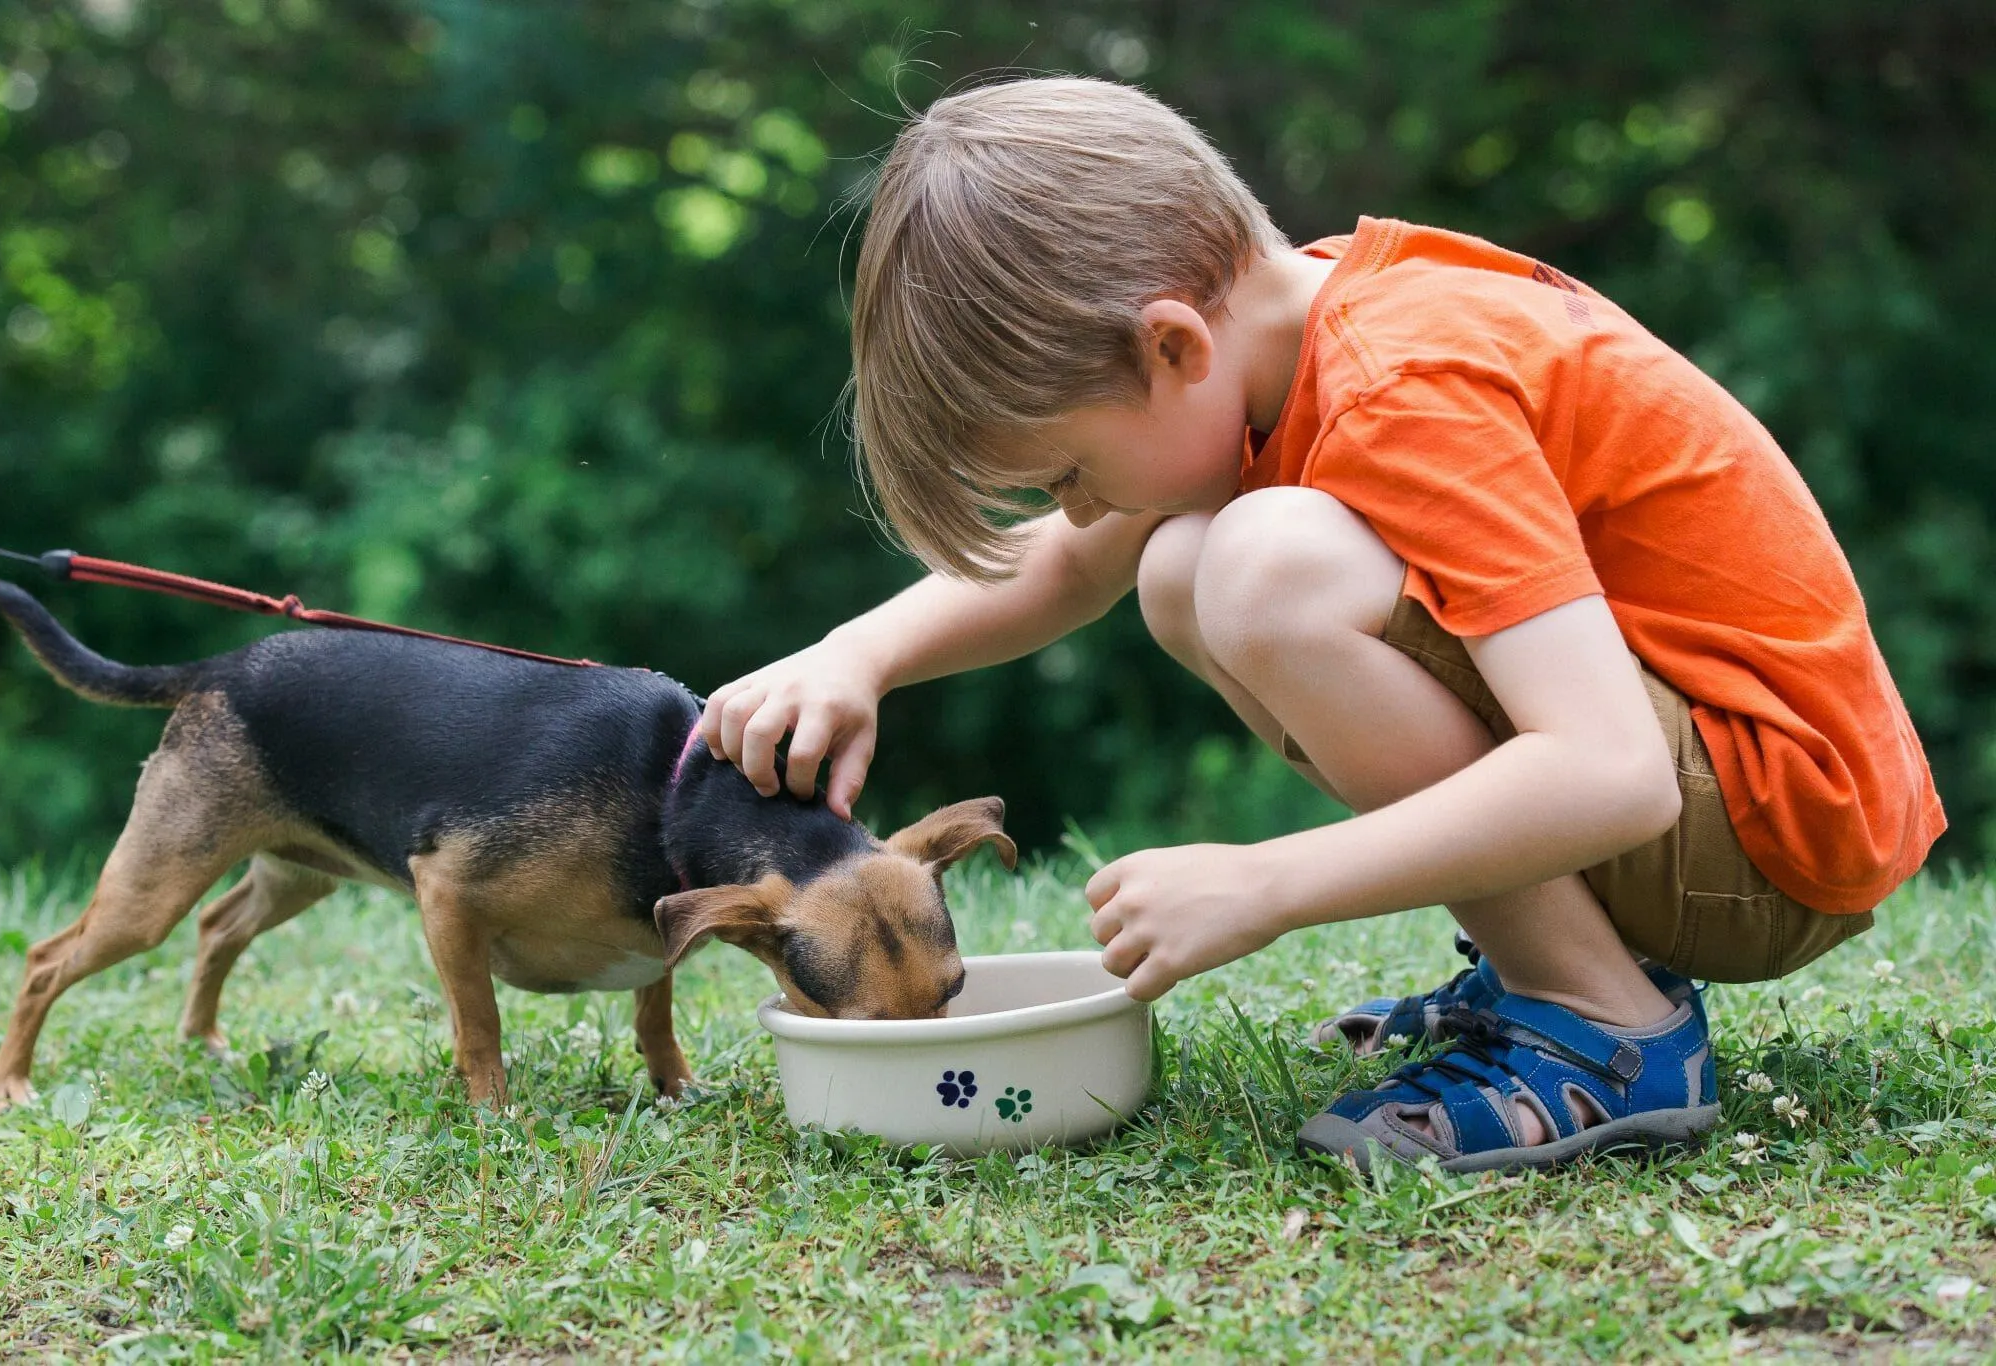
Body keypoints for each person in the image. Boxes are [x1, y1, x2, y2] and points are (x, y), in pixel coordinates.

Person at [697, 77, 1944, 1170]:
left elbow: (1613, 775)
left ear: (1170, 343)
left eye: (1068, 471)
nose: (1076, 511)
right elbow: (1073, 568)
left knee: (1256, 564)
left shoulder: (1401, 390)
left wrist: (1268, 883)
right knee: (1182, 559)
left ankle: (1604, 1027)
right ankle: (1540, 966)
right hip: (1718, 797)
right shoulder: (1280, 335)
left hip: (1770, 828)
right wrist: (856, 653)